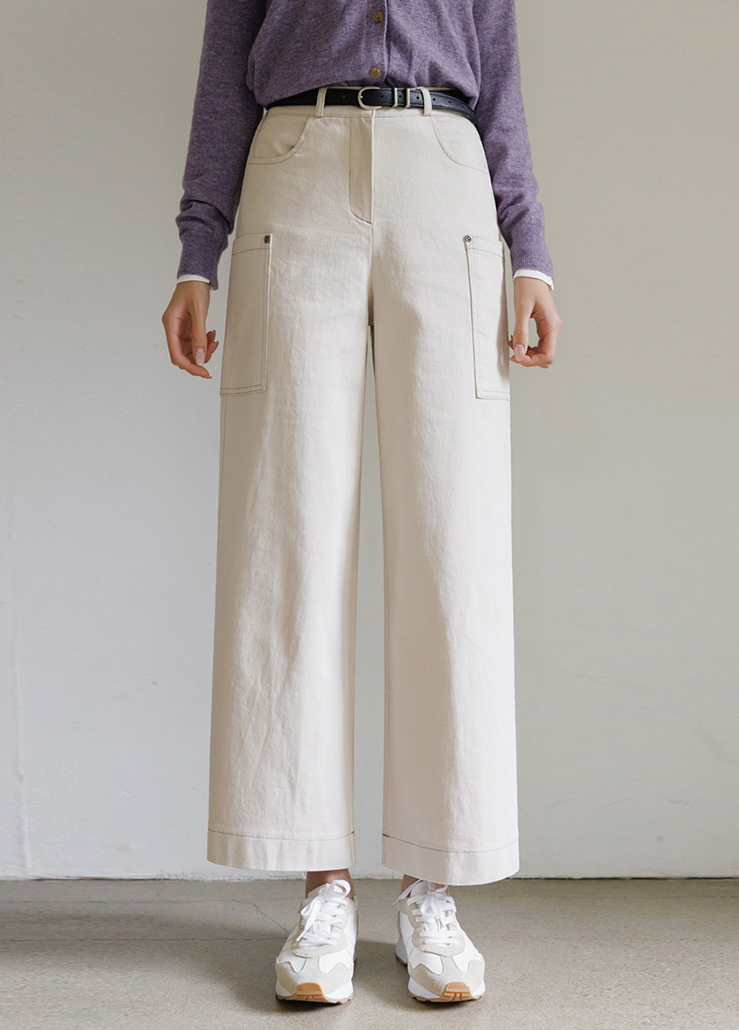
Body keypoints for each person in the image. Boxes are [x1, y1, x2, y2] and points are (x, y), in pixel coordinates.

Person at [162, 0, 562, 1007]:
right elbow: (224, 72)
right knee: (285, 534)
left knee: (452, 542)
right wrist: (198, 251)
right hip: (294, 167)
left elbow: (500, 70)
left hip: (445, 171)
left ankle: (433, 885)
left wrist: (530, 249)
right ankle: (323, 887)